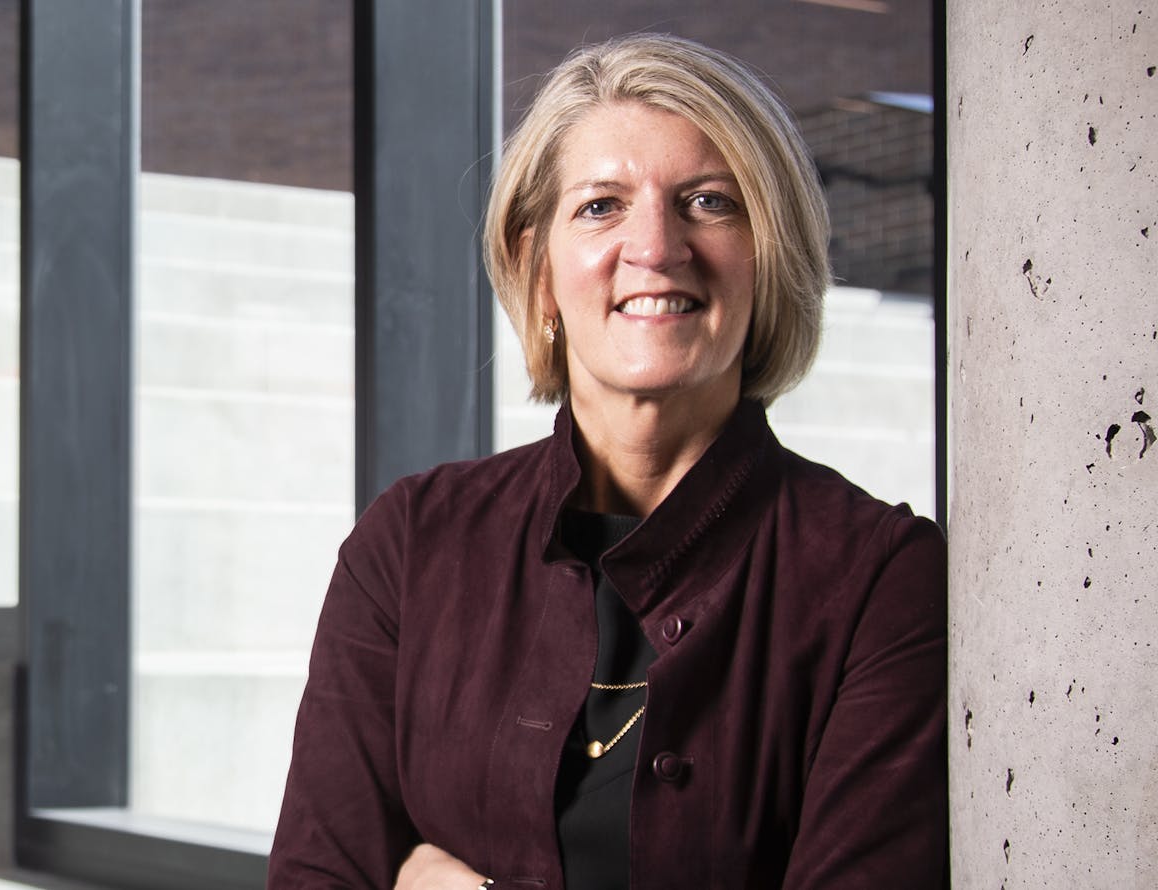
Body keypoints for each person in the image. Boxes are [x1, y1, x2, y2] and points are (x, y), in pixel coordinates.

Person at [267, 33, 946, 890]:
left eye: (708, 202)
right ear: (535, 266)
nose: (657, 247)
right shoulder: (410, 545)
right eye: (600, 206)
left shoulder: (880, 582)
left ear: (769, 257)